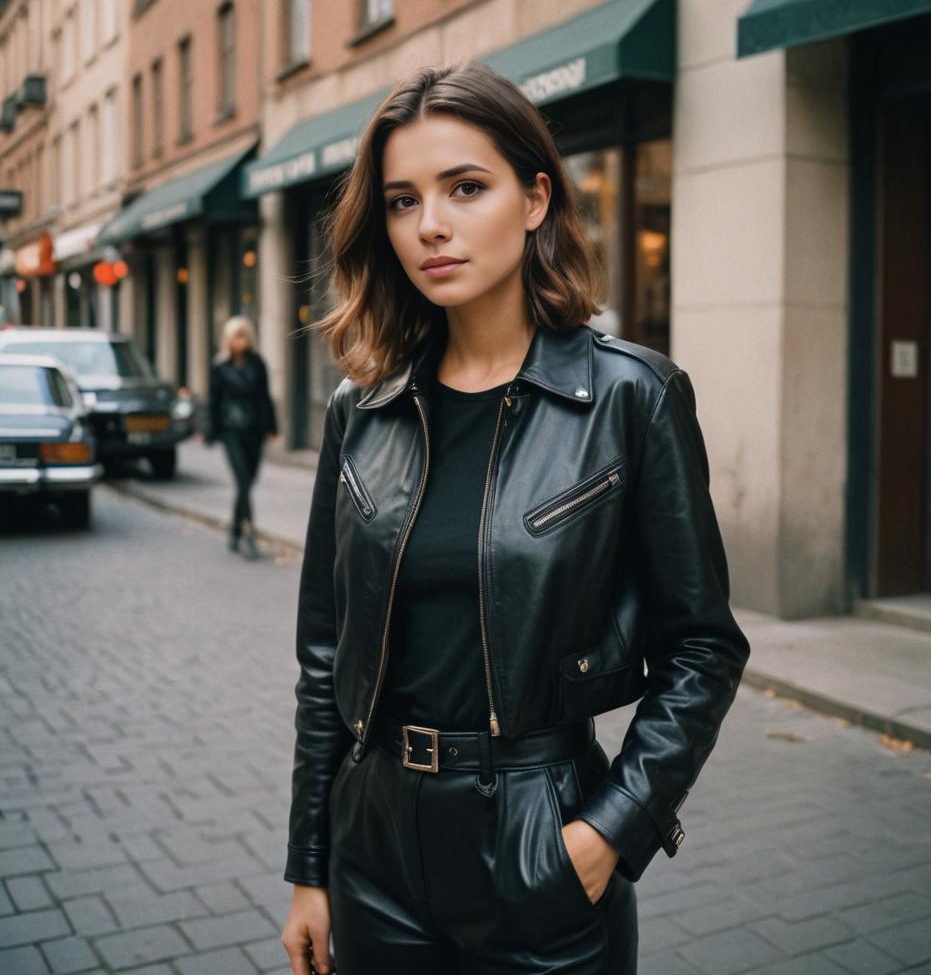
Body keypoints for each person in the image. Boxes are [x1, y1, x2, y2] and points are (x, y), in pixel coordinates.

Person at [280, 61, 751, 975]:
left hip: (543, 839)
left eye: (465, 187)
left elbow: (702, 647)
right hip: (373, 845)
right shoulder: (362, 410)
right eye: (403, 200)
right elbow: (325, 658)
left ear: (535, 199)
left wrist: (610, 830)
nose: (432, 226)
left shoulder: (629, 398)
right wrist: (309, 867)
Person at [204, 315, 279, 559]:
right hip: (231, 430)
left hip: (255, 430)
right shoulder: (219, 366)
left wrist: (273, 428)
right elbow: (213, 401)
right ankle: (248, 531)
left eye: (244, 335)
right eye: (236, 335)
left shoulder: (258, 364)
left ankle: (234, 529)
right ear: (228, 339)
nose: (240, 340)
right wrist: (210, 431)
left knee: (248, 482)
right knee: (244, 481)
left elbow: (265, 398)